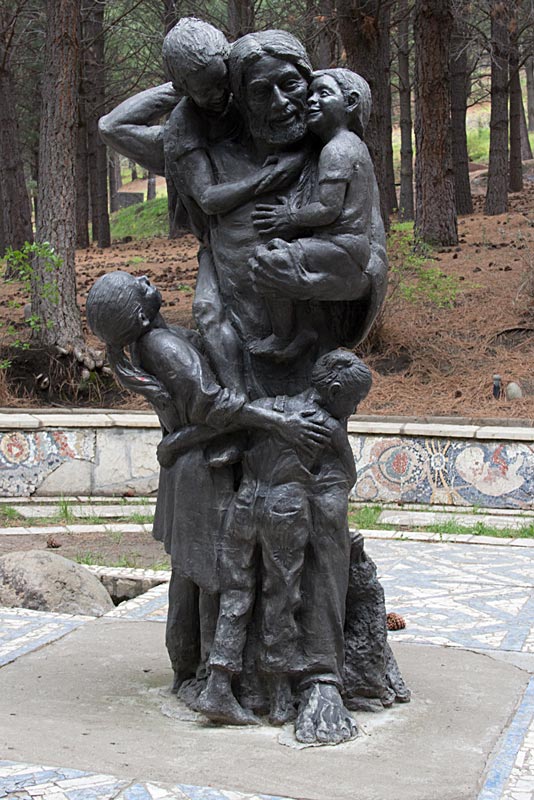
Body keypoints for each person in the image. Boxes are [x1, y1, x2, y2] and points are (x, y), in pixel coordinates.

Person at [85, 271, 330, 695]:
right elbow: (217, 407)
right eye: (137, 286)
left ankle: (188, 671)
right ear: (139, 316)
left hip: (187, 465)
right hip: (201, 470)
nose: (145, 278)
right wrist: (280, 422)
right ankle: (206, 679)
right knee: (211, 574)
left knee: (190, 572)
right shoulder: (163, 347)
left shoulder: (154, 342)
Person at [194, 350, 372, 729]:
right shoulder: (327, 427)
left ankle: (219, 684)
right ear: (334, 390)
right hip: (284, 508)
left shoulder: (269, 407)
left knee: (236, 592)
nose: (354, 409)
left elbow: (228, 429)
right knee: (282, 596)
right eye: (353, 400)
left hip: (245, 503)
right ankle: (278, 696)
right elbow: (347, 475)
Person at [250, 69, 374, 362]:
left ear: (350, 102)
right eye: (310, 95)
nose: (312, 101)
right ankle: (302, 330)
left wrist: (290, 216)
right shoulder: (351, 145)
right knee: (280, 258)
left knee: (268, 261)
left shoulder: (337, 149)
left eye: (324, 93)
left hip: (343, 247)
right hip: (344, 246)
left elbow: (328, 209)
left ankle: (284, 335)